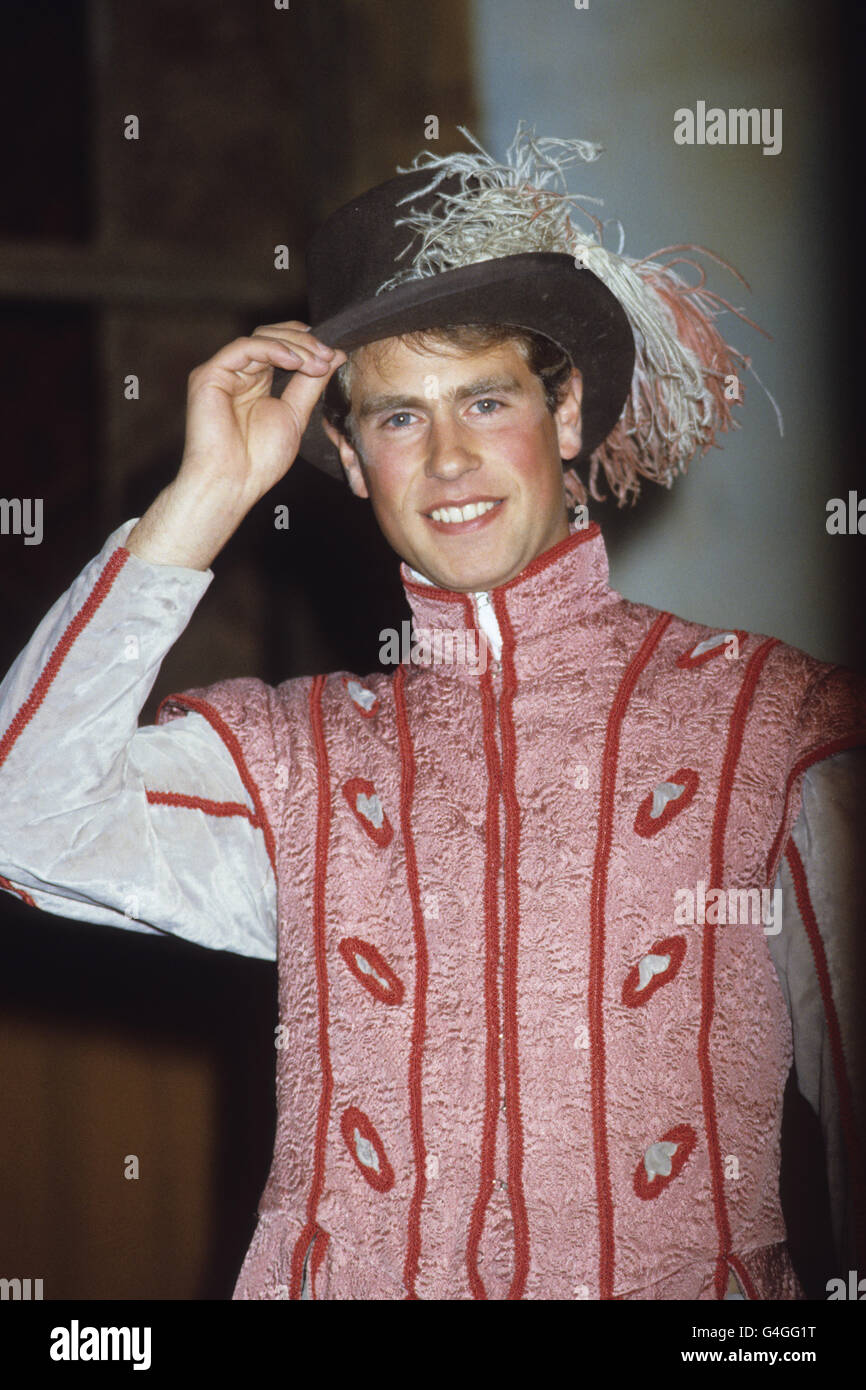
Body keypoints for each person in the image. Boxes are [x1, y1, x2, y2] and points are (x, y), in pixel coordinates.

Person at [1, 126, 864, 1301]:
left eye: (483, 399)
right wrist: (203, 498)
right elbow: (22, 814)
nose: (449, 458)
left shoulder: (771, 724)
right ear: (352, 464)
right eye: (398, 418)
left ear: (564, 420)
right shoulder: (290, 759)